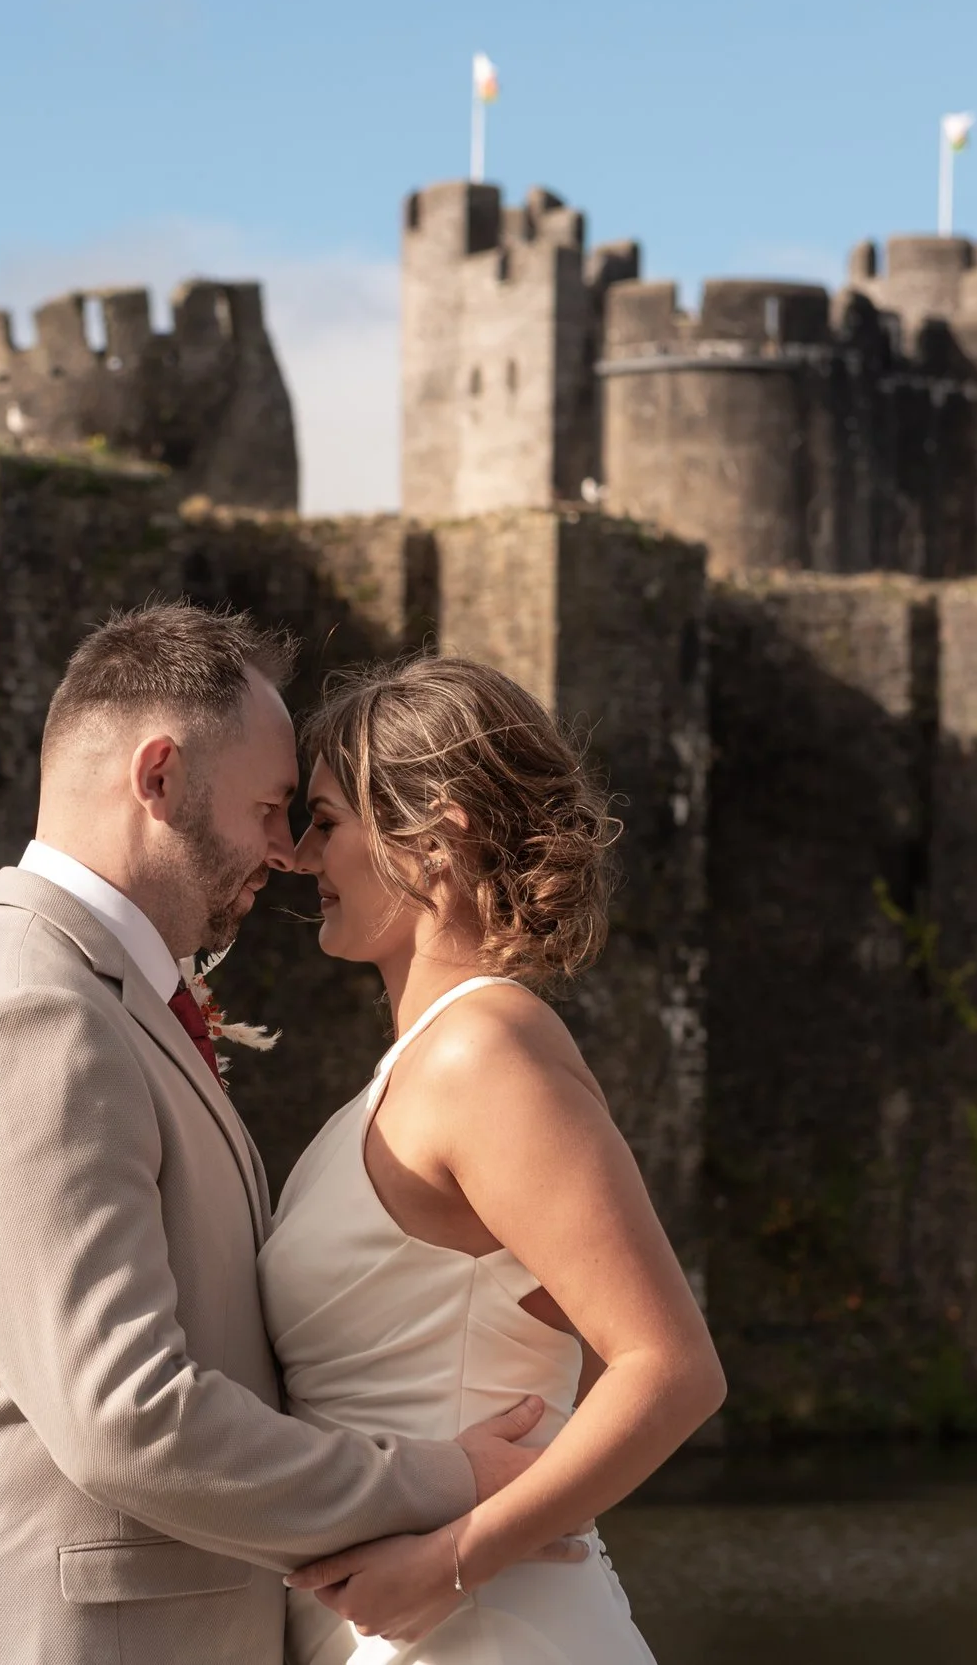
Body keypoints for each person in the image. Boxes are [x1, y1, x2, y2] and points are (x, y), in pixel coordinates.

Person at [0, 603, 571, 1665]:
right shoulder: (33, 1017)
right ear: (157, 780)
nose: (284, 853)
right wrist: (444, 1479)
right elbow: (128, 1416)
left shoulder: (100, 1005)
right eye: (271, 807)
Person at [268, 654, 728, 1661]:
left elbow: (672, 1368)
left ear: (435, 838)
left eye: (328, 819)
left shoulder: (484, 1055)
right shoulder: (418, 1066)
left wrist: (448, 1564)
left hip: (483, 1626)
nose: (301, 857)